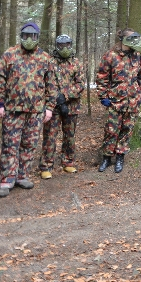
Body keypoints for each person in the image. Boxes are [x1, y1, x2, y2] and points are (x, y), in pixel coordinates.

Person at [0, 22, 57, 198]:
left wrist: (49, 108)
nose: (29, 39)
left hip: (35, 111)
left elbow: (51, 85)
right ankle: (6, 179)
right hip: (12, 110)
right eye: (26, 36)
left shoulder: (45, 58)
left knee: (29, 145)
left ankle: (22, 175)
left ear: (37, 37)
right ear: (21, 36)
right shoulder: (9, 54)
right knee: (10, 145)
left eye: (33, 36)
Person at [95, 28, 141, 174]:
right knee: (111, 131)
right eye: (132, 38)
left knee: (127, 130)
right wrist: (103, 97)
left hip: (133, 101)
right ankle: (106, 158)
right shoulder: (111, 56)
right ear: (123, 39)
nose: (135, 41)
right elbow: (102, 77)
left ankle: (120, 157)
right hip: (115, 101)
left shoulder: (137, 56)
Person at [40, 34, 86, 178]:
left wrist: (65, 95)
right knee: (50, 136)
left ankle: (68, 162)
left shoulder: (76, 63)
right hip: (52, 107)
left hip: (71, 107)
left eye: (67, 45)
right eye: (61, 45)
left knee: (69, 136)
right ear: (57, 46)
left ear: (71, 45)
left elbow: (80, 85)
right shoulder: (50, 62)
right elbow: (47, 83)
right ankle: (46, 166)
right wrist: (56, 99)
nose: (64, 48)